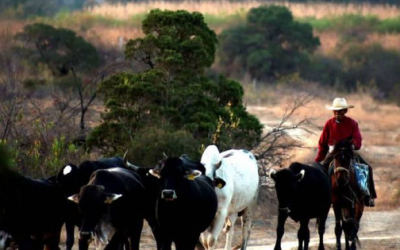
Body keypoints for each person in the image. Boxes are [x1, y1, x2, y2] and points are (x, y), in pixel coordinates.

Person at [315, 97, 377, 207]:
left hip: (349, 151)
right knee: (319, 171)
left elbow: (357, 139)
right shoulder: (329, 123)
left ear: (345, 111)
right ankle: (320, 197)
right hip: (334, 152)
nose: (337, 113)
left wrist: (353, 146)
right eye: (335, 111)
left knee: (368, 168)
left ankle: (369, 196)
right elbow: (322, 143)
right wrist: (318, 160)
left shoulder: (352, 123)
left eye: (340, 111)